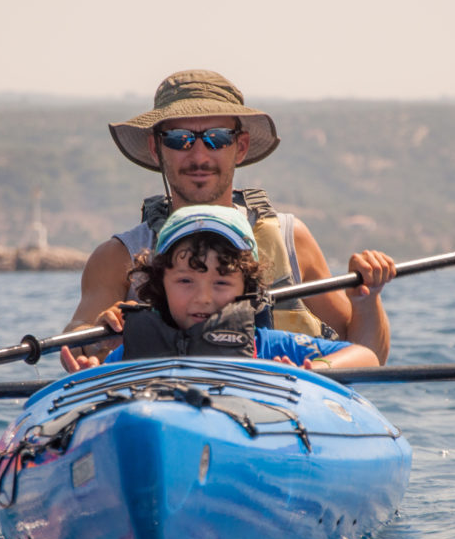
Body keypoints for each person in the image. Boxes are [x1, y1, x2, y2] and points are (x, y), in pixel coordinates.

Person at [64, 69, 396, 364]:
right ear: (156, 148)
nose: (198, 155)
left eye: (217, 138)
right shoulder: (116, 257)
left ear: (240, 147)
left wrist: (368, 299)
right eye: (179, 139)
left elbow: (369, 355)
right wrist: (97, 338)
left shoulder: (290, 239)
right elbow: (80, 339)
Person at [60, 206, 382, 373]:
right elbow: (98, 382)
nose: (203, 298)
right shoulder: (131, 352)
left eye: (222, 282)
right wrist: (90, 374)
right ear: (160, 285)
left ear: (248, 288)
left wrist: (310, 373)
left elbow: (367, 357)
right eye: (186, 281)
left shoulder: (266, 346)